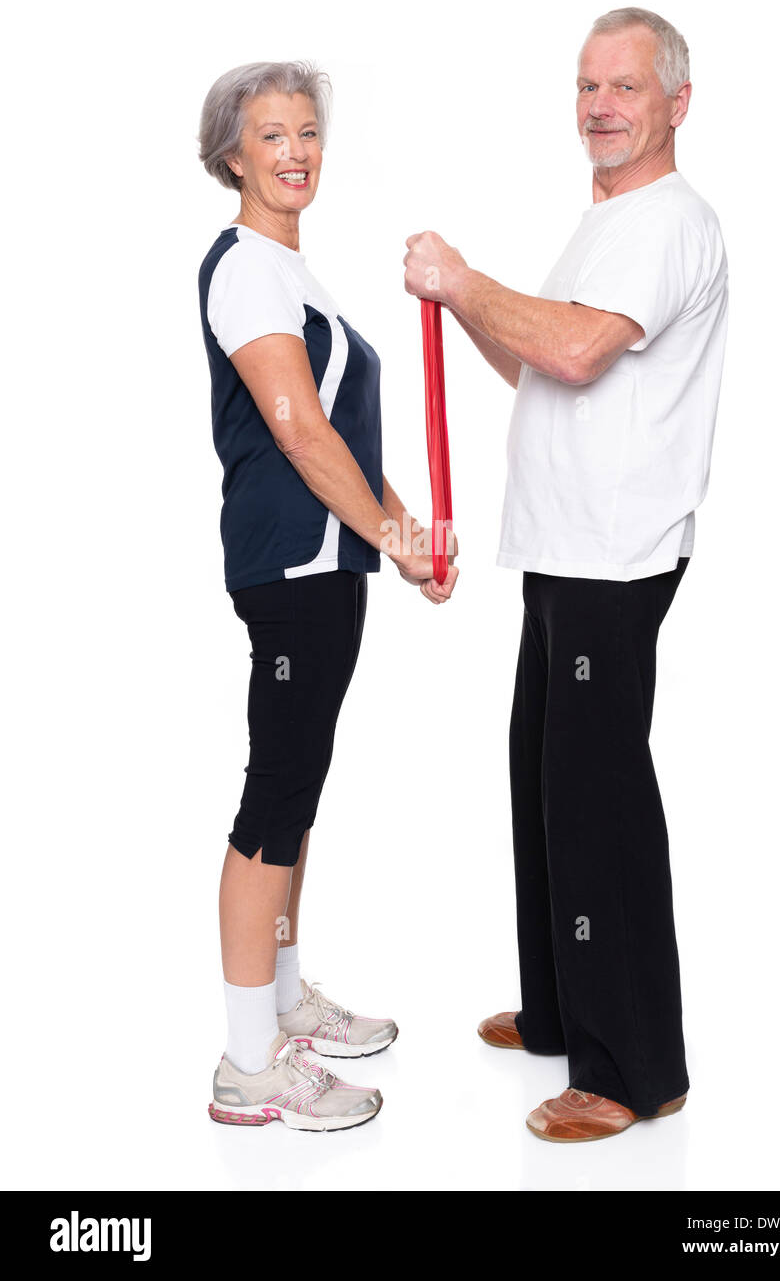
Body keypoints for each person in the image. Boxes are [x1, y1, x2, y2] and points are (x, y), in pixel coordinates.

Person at [404, 7, 728, 1143]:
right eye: (588, 86)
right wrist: (464, 304)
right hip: (562, 548)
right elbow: (542, 355)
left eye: (625, 88)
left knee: (593, 805)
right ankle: (560, 1005)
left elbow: (580, 348)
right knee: (542, 777)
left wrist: (465, 273)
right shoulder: (606, 221)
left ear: (675, 103)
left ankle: (632, 1067)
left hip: (610, 552)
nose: (600, 105)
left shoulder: (665, 220)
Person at [197, 61, 458, 1132]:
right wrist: (392, 535)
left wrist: (407, 538)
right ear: (231, 156)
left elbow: (343, 435)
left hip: (328, 569)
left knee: (298, 789)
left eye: (308, 130)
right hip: (289, 566)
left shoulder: (296, 274)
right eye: (272, 134)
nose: (297, 149)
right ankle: (249, 1062)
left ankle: (289, 999)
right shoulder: (248, 271)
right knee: (274, 799)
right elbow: (300, 436)